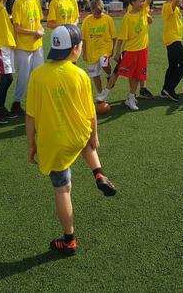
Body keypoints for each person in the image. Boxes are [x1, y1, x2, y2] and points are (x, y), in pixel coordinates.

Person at [26, 25, 116, 256]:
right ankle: (98, 172)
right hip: (79, 136)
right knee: (84, 136)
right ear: (74, 49)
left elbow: (31, 115)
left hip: (54, 143)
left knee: (63, 190)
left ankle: (69, 241)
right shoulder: (80, 75)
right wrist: (94, 135)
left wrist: (31, 145)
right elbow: (90, 113)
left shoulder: (38, 75)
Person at [11, 0, 45, 116]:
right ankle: (16, 103)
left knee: (38, 76)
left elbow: (39, 23)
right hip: (24, 47)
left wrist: (41, 31)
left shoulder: (36, 1)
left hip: (37, 45)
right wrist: (34, 32)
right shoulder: (19, 2)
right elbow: (17, 28)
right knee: (24, 77)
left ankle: (37, 103)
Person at [160, 0, 183, 100]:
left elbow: (178, 1)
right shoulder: (167, 6)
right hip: (173, 39)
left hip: (173, 39)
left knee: (172, 66)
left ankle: (165, 89)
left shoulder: (175, 8)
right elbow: (176, 0)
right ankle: (170, 88)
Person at [81, 0, 116, 99]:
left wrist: (113, 50)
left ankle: (109, 74)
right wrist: (84, 53)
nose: (97, 15)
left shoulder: (108, 19)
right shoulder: (87, 20)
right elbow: (84, 39)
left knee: (104, 62)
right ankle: (100, 94)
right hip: (92, 51)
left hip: (105, 48)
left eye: (99, 13)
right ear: (91, 10)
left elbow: (114, 37)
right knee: (94, 75)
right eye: (95, 13)